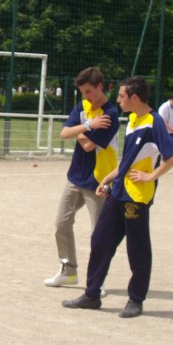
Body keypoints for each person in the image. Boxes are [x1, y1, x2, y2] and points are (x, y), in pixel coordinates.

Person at [62, 76, 173, 318]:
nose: (117, 100)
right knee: (100, 241)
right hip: (118, 191)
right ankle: (92, 295)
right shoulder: (133, 120)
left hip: (136, 197)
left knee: (137, 249)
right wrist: (108, 179)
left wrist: (151, 176)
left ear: (134, 98)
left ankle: (136, 300)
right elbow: (127, 162)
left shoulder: (154, 122)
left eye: (121, 96)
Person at [44, 67, 120, 289]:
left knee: (99, 233)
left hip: (99, 180)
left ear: (100, 87)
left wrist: (77, 129)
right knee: (61, 223)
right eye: (82, 92)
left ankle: (97, 281)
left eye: (88, 91)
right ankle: (68, 271)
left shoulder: (110, 115)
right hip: (75, 177)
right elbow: (63, 134)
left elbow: (87, 145)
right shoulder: (83, 107)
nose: (85, 96)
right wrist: (87, 125)